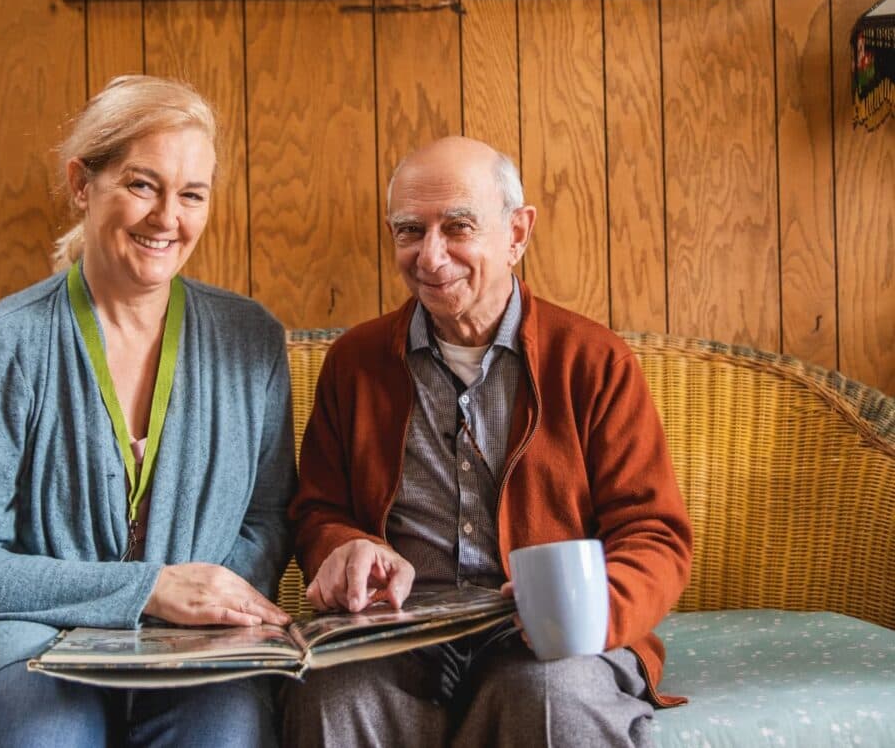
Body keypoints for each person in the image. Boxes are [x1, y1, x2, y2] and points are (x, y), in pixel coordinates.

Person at [0, 75, 296, 748]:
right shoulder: (1, 345)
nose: (168, 217)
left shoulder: (251, 340)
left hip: (190, 652)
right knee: (49, 729)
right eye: (142, 185)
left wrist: (205, 605)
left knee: (226, 725)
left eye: (191, 194)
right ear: (83, 184)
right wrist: (146, 590)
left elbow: (265, 521)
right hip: (12, 651)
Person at [284, 135, 692, 747]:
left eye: (458, 226)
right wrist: (341, 547)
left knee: (551, 700)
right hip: (400, 634)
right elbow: (318, 509)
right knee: (331, 696)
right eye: (409, 231)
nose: (431, 256)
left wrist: (591, 612)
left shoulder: (592, 360)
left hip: (551, 639)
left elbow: (654, 533)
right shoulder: (355, 363)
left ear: (517, 233)